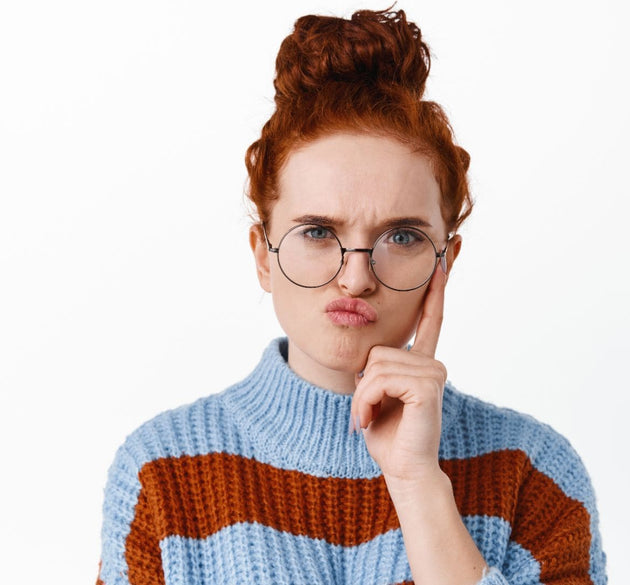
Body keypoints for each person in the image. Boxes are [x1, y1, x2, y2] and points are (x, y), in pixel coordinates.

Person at [96, 7, 606, 585]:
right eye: (318, 232)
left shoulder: (533, 474)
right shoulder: (162, 473)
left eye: (403, 236)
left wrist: (418, 484)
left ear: (447, 262)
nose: (357, 277)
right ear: (264, 254)